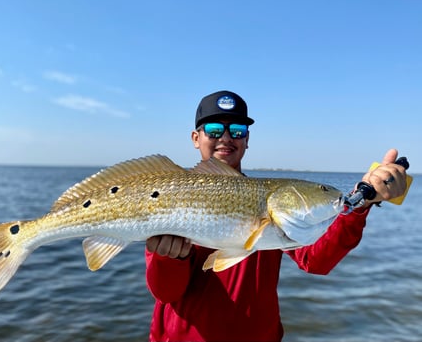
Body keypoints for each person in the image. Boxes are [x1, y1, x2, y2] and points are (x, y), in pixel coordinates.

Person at [145, 90, 408, 342]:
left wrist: (360, 206)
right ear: (195, 138)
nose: (226, 138)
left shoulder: (275, 208)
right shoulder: (169, 196)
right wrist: (170, 259)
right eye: (214, 130)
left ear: (247, 140)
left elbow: (316, 260)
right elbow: (166, 293)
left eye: (237, 131)